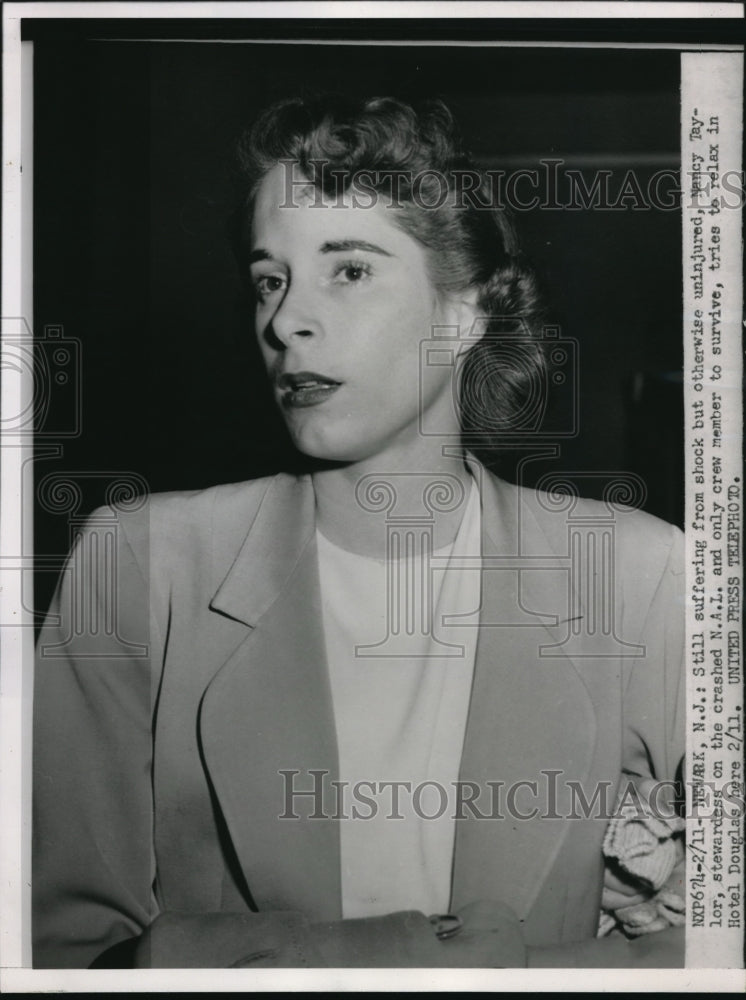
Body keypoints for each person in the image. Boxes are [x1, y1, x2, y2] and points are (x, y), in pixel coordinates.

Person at [33, 95, 685, 969]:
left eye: (347, 270)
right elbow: (59, 952)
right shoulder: (139, 565)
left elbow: (719, 948)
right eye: (271, 279)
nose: (283, 320)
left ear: (466, 312)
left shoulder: (640, 576)